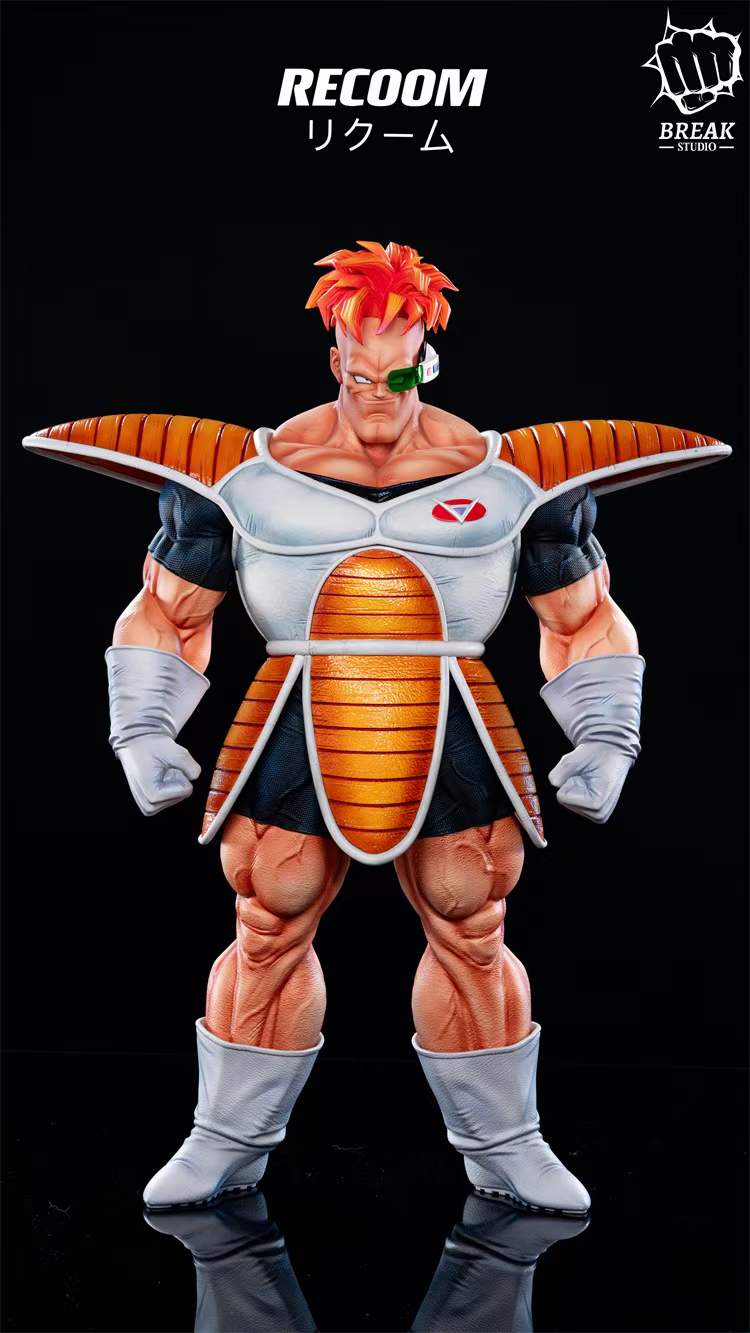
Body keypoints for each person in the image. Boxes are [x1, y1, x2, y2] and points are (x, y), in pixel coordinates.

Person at [23, 240, 730, 1215]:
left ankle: (505, 1147)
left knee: (471, 922)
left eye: (398, 375)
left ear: (427, 360)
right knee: (268, 919)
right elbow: (170, 613)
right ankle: (226, 1141)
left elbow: (581, 618)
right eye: (360, 375)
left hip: (451, 711)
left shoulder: (517, 477)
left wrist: (607, 736)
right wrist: (143, 727)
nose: (378, 398)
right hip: (295, 707)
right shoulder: (242, 473)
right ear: (336, 359)